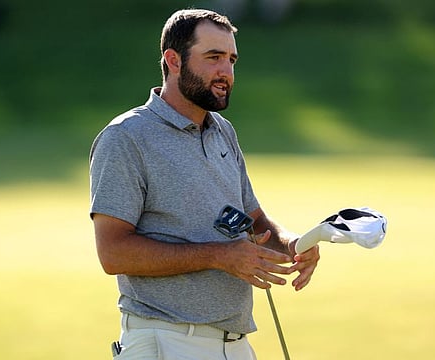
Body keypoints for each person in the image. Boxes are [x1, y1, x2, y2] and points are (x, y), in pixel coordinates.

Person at [89, 8, 320, 360]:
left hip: (235, 342)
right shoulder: (126, 138)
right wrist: (218, 256)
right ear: (173, 60)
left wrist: (295, 244)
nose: (225, 72)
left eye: (231, 60)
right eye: (213, 58)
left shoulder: (223, 131)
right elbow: (113, 253)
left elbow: (255, 223)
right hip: (166, 341)